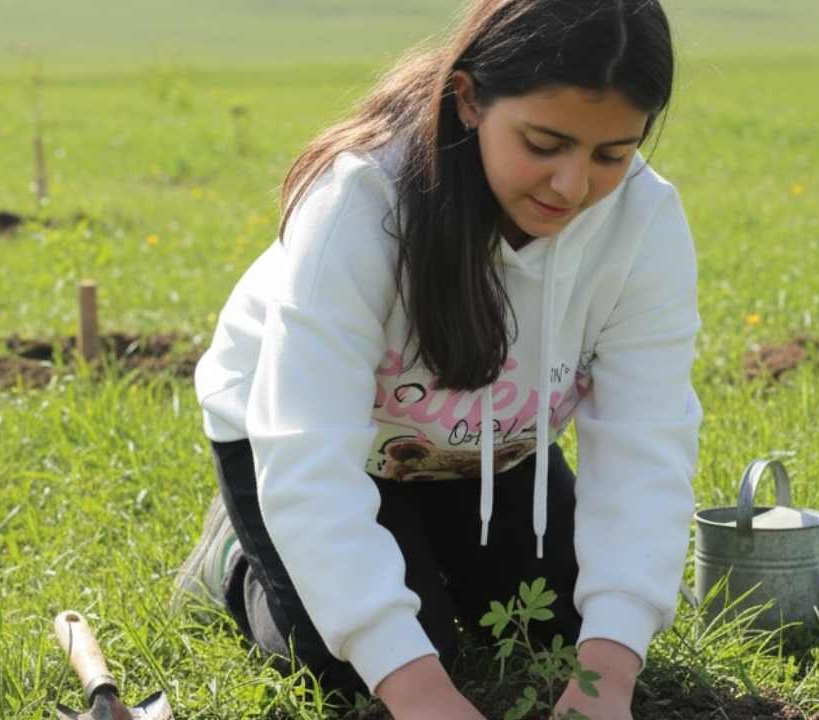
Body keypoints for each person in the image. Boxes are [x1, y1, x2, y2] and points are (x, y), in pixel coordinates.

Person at [173, 1, 702, 717]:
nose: (572, 187)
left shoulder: (645, 224)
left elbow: (647, 444)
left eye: (612, 153)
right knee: (359, 666)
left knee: (573, 630)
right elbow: (309, 459)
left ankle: (424, 551)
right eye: (544, 143)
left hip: (486, 449)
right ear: (469, 100)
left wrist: (606, 677)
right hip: (302, 442)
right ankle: (235, 557)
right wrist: (420, 690)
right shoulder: (360, 203)